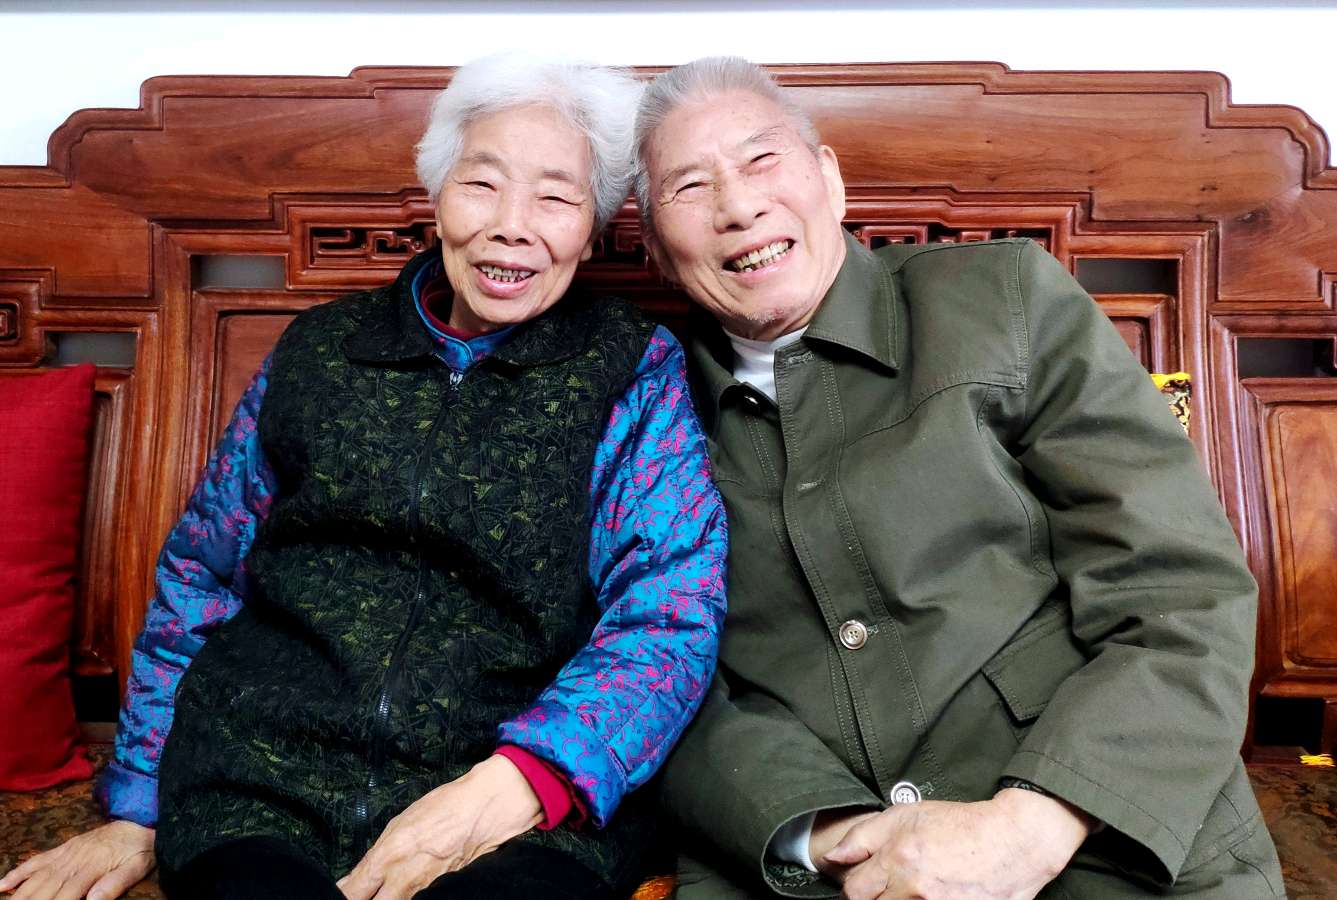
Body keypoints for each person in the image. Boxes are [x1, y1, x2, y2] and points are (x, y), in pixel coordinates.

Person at [0, 54, 727, 900]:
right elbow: (202, 575)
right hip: (260, 777)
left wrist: (525, 777)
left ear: (593, 230)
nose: (512, 225)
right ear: (437, 195)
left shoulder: (630, 367)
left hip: (515, 792)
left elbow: (668, 609)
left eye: (556, 198)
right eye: (482, 184)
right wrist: (138, 805)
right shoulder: (320, 350)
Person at [633, 57, 1283, 899]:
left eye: (762, 159)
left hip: (1096, 833)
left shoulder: (1001, 299)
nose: (738, 206)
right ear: (654, 249)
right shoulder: (642, 410)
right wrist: (835, 839)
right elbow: (653, 673)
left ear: (828, 178)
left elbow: (1178, 588)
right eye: (689, 187)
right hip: (820, 864)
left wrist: (1029, 827)